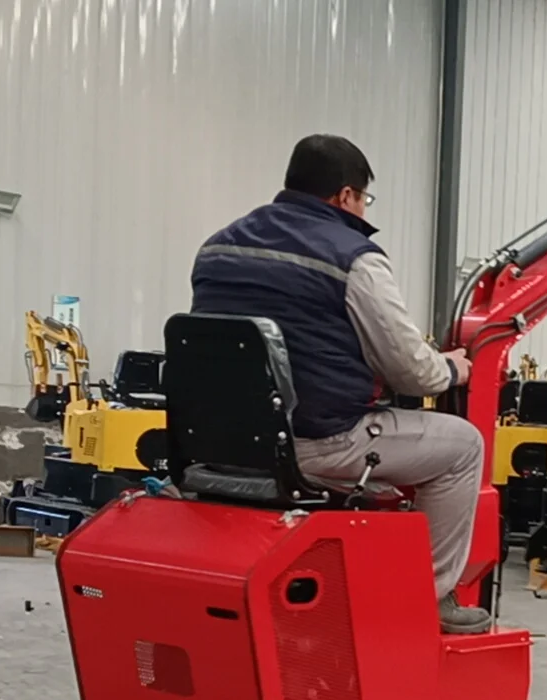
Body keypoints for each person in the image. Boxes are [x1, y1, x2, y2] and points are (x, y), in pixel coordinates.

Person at [191, 134, 491, 634]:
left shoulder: (217, 247)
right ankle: (429, 598)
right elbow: (412, 372)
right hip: (317, 443)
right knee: (463, 447)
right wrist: (453, 369)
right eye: (364, 198)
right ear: (346, 195)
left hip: (226, 444)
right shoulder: (355, 258)